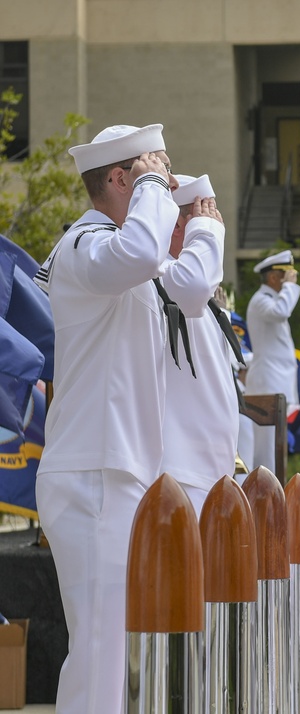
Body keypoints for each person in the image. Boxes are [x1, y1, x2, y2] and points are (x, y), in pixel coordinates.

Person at [32, 124, 179, 714]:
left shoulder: (116, 253)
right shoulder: (87, 245)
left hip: (118, 468)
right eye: (150, 176)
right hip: (95, 469)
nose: (164, 187)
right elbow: (143, 252)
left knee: (110, 646)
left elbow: (175, 278)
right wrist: (150, 190)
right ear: (119, 179)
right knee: (98, 650)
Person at [158, 174, 241, 515]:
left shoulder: (203, 297)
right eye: (202, 217)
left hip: (212, 470)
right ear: (178, 227)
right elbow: (191, 286)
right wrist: (204, 237)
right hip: (176, 471)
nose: (214, 225)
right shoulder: (160, 276)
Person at [244, 248, 300, 473]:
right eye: (286, 275)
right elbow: (281, 312)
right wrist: (290, 287)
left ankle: (273, 488)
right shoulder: (261, 300)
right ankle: (264, 489)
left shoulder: (270, 299)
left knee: (275, 442)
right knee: (266, 445)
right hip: (267, 378)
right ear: (274, 277)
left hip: (276, 378)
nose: (290, 279)